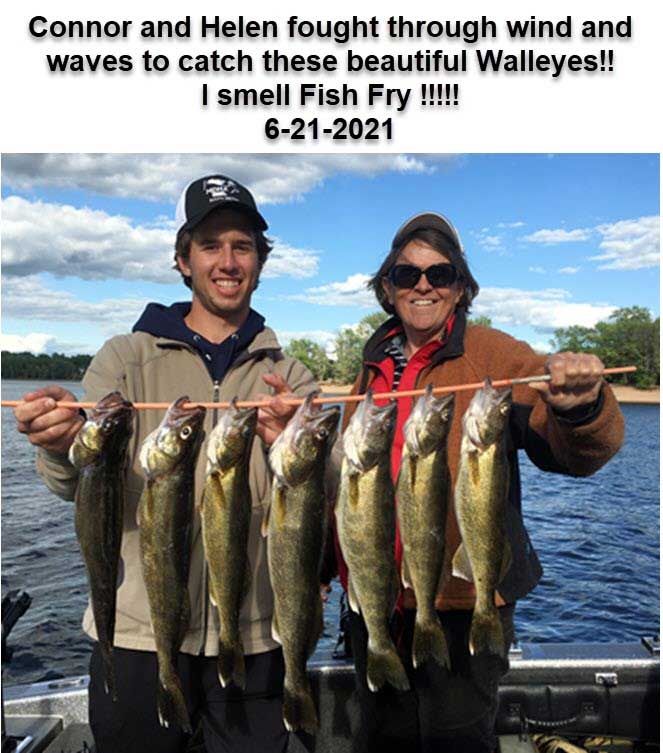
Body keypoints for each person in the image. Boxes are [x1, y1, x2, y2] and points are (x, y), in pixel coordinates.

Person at [13, 174, 317, 753]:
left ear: (259, 261)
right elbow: (74, 482)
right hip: (135, 637)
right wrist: (57, 443)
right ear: (183, 261)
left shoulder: (290, 376)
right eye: (210, 245)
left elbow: (321, 501)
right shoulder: (124, 359)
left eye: (243, 246)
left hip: (252, 640)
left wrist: (293, 449)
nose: (228, 261)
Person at [328, 212, 625, 753]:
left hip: (462, 604)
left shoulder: (493, 354)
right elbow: (349, 490)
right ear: (387, 286)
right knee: (378, 738)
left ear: (460, 287)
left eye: (439, 274)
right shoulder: (373, 364)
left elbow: (575, 454)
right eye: (406, 274)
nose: (423, 285)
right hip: (377, 599)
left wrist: (582, 409)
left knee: (457, 739)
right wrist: (328, 564)